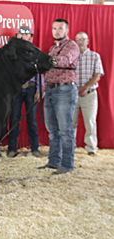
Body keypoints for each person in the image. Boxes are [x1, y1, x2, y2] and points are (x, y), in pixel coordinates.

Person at [38, 18, 80, 174]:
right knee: (53, 130)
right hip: (50, 90)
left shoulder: (72, 46)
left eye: (60, 28)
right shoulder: (52, 48)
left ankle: (67, 164)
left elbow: (66, 61)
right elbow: (49, 72)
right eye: (54, 28)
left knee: (65, 130)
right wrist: (43, 89)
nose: (57, 31)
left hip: (65, 91)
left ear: (67, 30)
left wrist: (47, 60)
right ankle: (53, 161)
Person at [7, 26, 44, 158]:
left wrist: (39, 90)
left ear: (30, 37)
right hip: (17, 88)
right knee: (15, 119)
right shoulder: (13, 53)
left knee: (32, 120)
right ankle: (12, 148)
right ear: (17, 36)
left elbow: (40, 72)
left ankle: (34, 149)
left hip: (32, 88)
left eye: (26, 34)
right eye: (21, 34)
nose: (23, 36)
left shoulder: (36, 52)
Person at [73, 32, 104, 156]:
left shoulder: (94, 56)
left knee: (90, 122)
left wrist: (85, 88)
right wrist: (77, 89)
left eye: (82, 39)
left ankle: (91, 148)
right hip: (73, 94)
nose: (80, 41)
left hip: (90, 94)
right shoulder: (72, 57)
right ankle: (70, 146)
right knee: (71, 122)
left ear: (87, 41)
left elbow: (97, 76)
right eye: (77, 39)